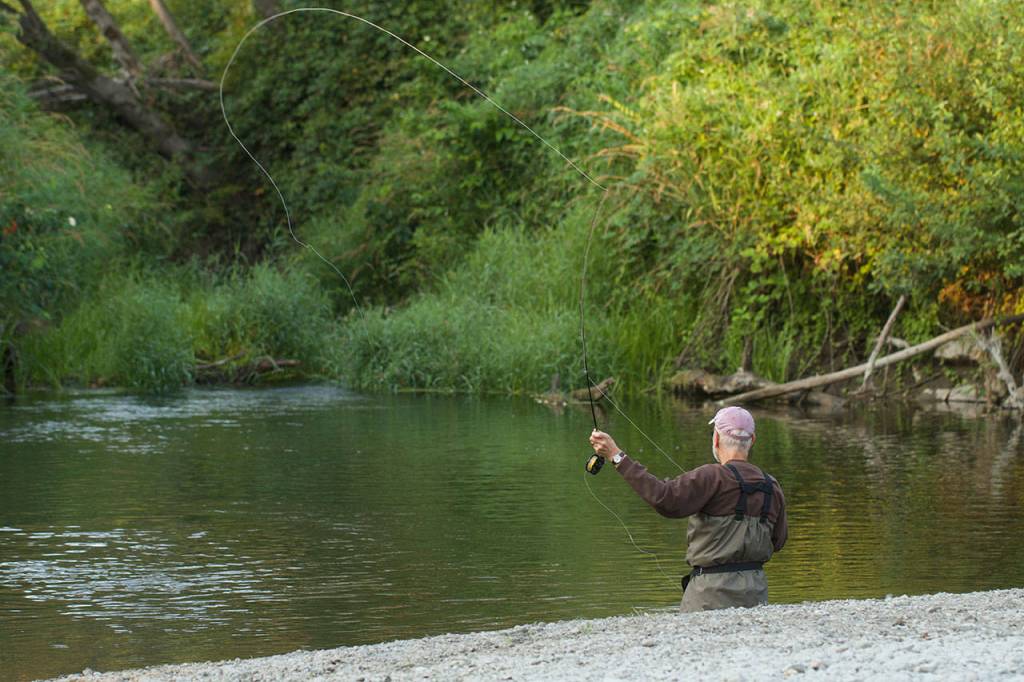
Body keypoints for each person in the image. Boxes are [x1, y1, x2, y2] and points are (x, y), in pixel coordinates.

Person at [589, 406, 787, 612]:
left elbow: (664, 499)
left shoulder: (712, 476)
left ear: (716, 440)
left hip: (709, 597)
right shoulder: (772, 486)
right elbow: (779, 541)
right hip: (756, 597)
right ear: (752, 440)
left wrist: (616, 456)